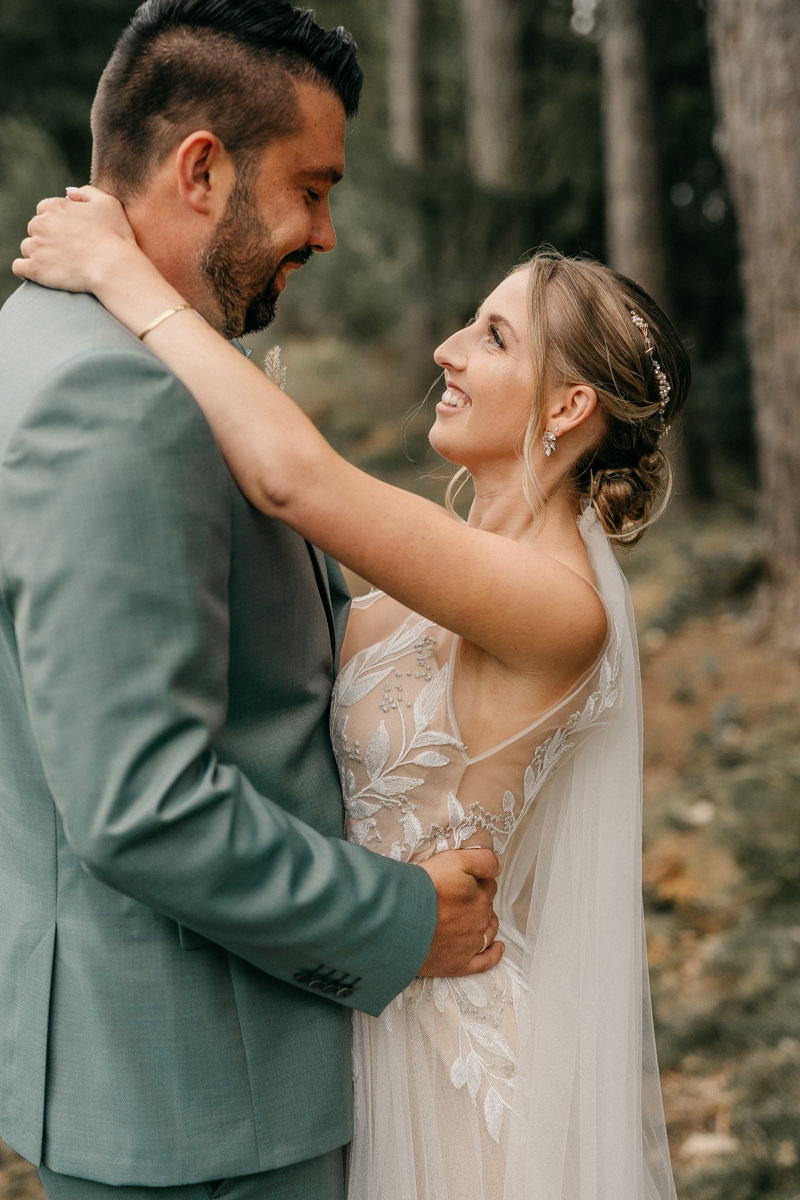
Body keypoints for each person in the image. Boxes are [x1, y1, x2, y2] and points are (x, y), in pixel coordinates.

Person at [15, 187, 691, 1200]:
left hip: (446, 1066)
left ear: (566, 407)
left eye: (493, 337)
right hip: (359, 1008)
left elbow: (296, 480)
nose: (446, 351)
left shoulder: (559, 605)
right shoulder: (466, 558)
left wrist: (124, 274)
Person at [0, 4, 503, 1199]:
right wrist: (395, 921)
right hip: (209, 1100)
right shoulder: (119, 405)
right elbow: (141, 803)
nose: (325, 233)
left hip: (148, 1063)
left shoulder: (41, 339)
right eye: (312, 187)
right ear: (201, 168)